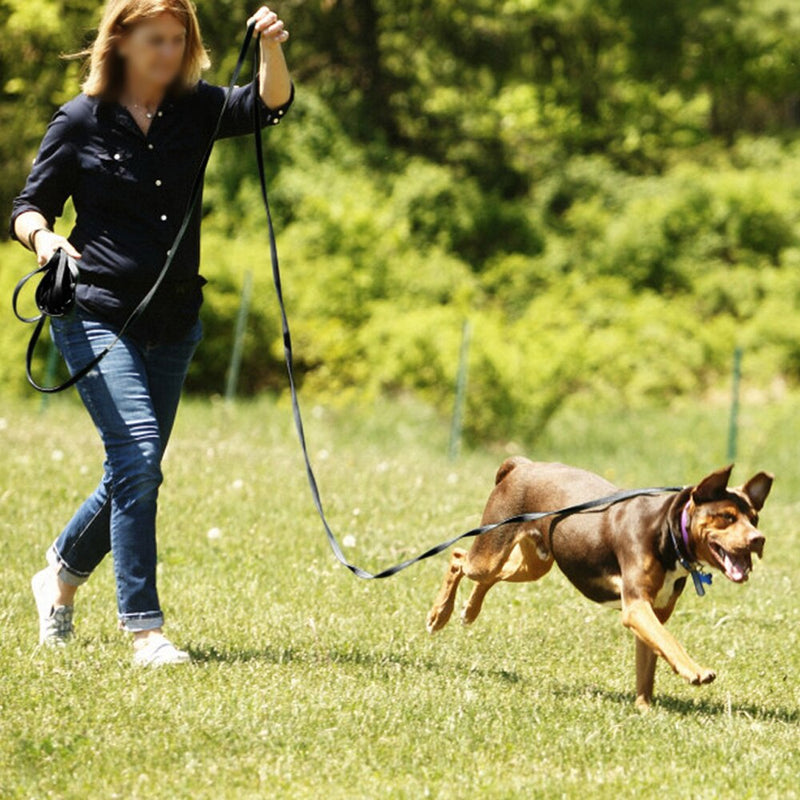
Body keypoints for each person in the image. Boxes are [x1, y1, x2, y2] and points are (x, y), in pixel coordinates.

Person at [10, 0, 292, 666]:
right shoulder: (81, 120)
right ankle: (145, 631)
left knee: (131, 471)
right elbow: (28, 208)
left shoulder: (197, 107)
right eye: (155, 40)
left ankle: (58, 578)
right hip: (94, 311)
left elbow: (268, 106)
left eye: (179, 39)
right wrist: (47, 240)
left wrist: (273, 46)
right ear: (122, 41)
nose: (170, 52)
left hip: (174, 322)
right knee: (137, 458)